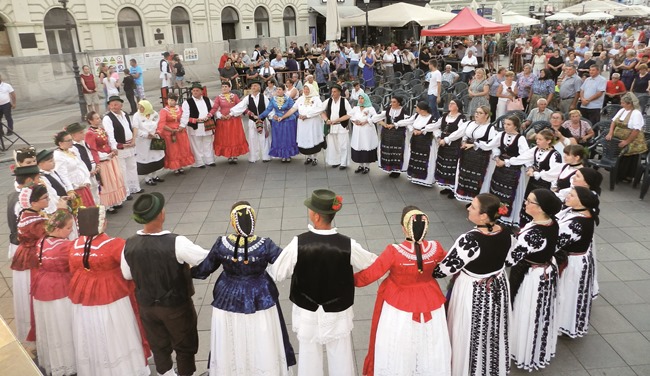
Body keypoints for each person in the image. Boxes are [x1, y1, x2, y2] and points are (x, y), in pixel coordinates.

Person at [268, 189, 377, 376]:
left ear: (316, 216)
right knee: (341, 354)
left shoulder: (298, 243)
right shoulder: (347, 244)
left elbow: (277, 272)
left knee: (309, 356)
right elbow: (373, 264)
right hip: (338, 308)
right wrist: (354, 280)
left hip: (307, 308)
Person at [191, 201, 296, 375]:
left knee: (230, 335)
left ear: (233, 223)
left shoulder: (222, 244)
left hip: (227, 297)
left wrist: (183, 270)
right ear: (254, 220)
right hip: (261, 296)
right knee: (261, 335)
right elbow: (284, 261)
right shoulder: (265, 244)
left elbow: (204, 269)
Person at [354, 206, 451, 375]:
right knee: (430, 343)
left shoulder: (394, 251)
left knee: (398, 342)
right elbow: (450, 263)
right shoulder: (435, 248)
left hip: (399, 305)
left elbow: (370, 275)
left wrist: (345, 280)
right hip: (431, 303)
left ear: (404, 228)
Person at [122, 193, 209, 376]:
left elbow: (127, 274)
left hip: (147, 306)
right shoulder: (177, 242)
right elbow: (204, 258)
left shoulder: (129, 244)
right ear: (161, 214)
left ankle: (166, 374)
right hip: (176, 306)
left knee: (159, 346)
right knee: (185, 346)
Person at [433, 193, 516, 376]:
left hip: (473, 290)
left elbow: (442, 270)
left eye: (472, 206)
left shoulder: (470, 240)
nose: (468, 208)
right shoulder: (506, 232)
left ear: (484, 216)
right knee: (493, 326)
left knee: (470, 328)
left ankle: (468, 369)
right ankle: (490, 367)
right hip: (498, 286)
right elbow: (510, 259)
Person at [69, 206, 151, 375]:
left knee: (91, 331)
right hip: (112, 295)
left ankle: (98, 367)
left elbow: (72, 269)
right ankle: (124, 368)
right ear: (102, 224)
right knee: (116, 330)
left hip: (83, 297)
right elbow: (128, 273)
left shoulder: (75, 245)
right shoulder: (114, 244)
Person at [508, 189, 562, 371]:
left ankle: (522, 348)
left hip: (531, 276)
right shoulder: (551, 222)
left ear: (540, 208)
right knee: (537, 312)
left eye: (529, 201)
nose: (525, 203)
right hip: (544, 271)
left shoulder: (534, 234)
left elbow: (510, 259)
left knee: (527, 311)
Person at [32, 209, 76, 376]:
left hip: (42, 287)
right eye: (68, 228)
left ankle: (55, 360)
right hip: (60, 289)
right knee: (63, 325)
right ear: (57, 229)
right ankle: (69, 361)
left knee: (50, 326)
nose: (71, 231)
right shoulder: (66, 246)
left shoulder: (42, 241)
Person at [555, 187, 600, 338]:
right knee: (568, 292)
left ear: (582, 201)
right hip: (577, 258)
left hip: (573, 262)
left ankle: (562, 323)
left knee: (567, 292)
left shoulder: (577, 222)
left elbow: (557, 241)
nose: (568, 196)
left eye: (572, 195)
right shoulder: (577, 212)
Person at [11, 184, 50, 344]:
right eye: (45, 198)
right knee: (32, 296)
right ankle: (36, 333)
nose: (48, 200)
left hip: (25, 256)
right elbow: (52, 232)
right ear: (33, 203)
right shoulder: (34, 223)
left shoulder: (28, 214)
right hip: (30, 261)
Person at [482, 116, 530, 226]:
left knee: (510, 195)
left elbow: (525, 155)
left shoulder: (520, 139)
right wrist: (496, 157)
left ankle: (508, 219)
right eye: (505, 124)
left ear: (516, 126)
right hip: (500, 169)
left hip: (514, 171)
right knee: (497, 191)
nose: (505, 126)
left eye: (509, 124)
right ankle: (496, 214)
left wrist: (509, 162)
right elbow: (491, 146)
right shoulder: (501, 135)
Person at [85, 111, 128, 213]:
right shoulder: (90, 133)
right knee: (107, 182)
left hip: (110, 157)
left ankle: (115, 201)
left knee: (114, 179)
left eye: (99, 118)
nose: (99, 120)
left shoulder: (101, 129)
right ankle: (107, 205)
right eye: (96, 118)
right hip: (103, 160)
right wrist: (101, 159)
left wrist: (113, 149)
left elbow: (108, 142)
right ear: (90, 121)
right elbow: (93, 150)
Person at [453, 105, 498, 202]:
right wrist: (464, 141)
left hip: (480, 157)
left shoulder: (490, 128)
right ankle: (465, 196)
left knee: (476, 178)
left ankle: (475, 200)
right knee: (465, 175)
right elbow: (465, 135)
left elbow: (490, 143)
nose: (477, 114)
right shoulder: (471, 124)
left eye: (480, 113)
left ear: (486, 115)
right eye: (476, 112)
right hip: (467, 154)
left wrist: (474, 145)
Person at [103, 95, 143, 198]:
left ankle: (134, 187)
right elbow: (110, 135)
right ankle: (126, 191)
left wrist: (133, 139)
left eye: (115, 104)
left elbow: (130, 127)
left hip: (130, 144)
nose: (113, 107)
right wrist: (115, 147)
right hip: (121, 147)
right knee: (122, 169)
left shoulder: (124, 114)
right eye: (111, 105)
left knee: (132, 166)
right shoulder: (108, 118)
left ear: (121, 105)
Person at [395, 101, 440, 187]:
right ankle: (416, 178)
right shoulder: (416, 115)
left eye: (417, 108)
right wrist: (397, 124)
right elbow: (408, 121)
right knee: (415, 157)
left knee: (426, 160)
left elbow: (435, 129)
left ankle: (427, 180)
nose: (416, 109)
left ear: (422, 110)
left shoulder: (432, 118)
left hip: (426, 142)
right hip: (416, 141)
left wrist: (437, 137)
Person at [605, 93, 648, 182]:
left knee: (628, 157)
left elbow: (636, 130)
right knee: (618, 154)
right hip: (619, 137)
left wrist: (627, 141)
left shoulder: (636, 113)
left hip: (632, 139)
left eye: (623, 103)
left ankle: (625, 176)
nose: (621, 105)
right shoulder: (622, 111)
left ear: (630, 104)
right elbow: (613, 121)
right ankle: (616, 172)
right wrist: (610, 133)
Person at [282, 83, 325, 166]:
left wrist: (308, 116)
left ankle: (315, 158)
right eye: (304, 89)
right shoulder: (301, 99)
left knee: (313, 139)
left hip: (312, 123)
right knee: (306, 140)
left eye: (307, 89)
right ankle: (308, 157)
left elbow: (320, 109)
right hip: (303, 124)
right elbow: (293, 109)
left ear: (311, 89)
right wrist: (283, 117)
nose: (306, 91)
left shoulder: (316, 99)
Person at [229, 80, 271, 163]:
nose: (253, 87)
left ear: (259, 87)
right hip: (252, 121)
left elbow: (269, 108)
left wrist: (270, 117)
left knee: (264, 139)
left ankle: (266, 156)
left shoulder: (264, 97)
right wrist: (231, 113)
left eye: (255, 86)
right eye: (252, 86)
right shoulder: (248, 98)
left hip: (263, 120)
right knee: (252, 138)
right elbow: (241, 106)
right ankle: (253, 157)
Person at [208, 82, 249, 164]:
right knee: (226, 138)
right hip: (223, 121)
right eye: (222, 87)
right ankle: (229, 155)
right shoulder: (218, 98)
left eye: (226, 87)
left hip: (234, 120)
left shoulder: (234, 96)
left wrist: (249, 112)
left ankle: (235, 155)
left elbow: (240, 105)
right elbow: (215, 108)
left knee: (234, 137)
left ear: (230, 88)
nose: (224, 88)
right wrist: (209, 115)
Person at [53, 130, 95, 207]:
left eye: (71, 139)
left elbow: (81, 165)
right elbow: (62, 175)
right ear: (60, 143)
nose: (71, 142)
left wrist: (86, 179)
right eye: (68, 140)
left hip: (83, 185)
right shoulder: (58, 156)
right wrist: (73, 188)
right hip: (75, 190)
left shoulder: (71, 151)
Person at [372, 95, 410, 178]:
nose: (391, 103)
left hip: (399, 135)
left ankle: (396, 170)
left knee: (397, 152)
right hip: (387, 134)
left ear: (399, 103)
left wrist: (396, 125)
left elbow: (408, 122)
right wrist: (384, 124)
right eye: (391, 101)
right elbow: (374, 118)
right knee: (388, 151)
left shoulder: (404, 111)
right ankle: (389, 168)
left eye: (394, 102)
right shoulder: (388, 110)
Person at [157, 93, 194, 175]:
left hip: (180, 131)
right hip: (169, 133)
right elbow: (161, 123)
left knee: (181, 148)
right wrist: (171, 130)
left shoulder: (179, 109)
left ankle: (180, 165)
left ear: (176, 101)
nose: (170, 102)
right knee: (172, 150)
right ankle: (175, 167)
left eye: (173, 100)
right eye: (169, 100)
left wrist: (181, 126)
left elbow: (183, 118)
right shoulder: (164, 111)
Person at [260, 84, 299, 163]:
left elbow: (294, 109)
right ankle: (282, 155)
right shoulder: (273, 99)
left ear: (284, 91)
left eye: (280, 89)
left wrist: (301, 116)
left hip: (288, 121)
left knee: (288, 138)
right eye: (277, 89)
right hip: (277, 121)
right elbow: (268, 109)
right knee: (279, 138)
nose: (278, 91)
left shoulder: (288, 99)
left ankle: (288, 155)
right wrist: (260, 116)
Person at [181, 83, 216, 168]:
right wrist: (182, 125)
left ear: (201, 91)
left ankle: (209, 160)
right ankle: (199, 162)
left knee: (208, 142)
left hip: (207, 125)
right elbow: (185, 115)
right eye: (193, 91)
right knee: (196, 144)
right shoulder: (187, 102)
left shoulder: (207, 100)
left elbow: (214, 109)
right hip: (195, 126)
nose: (195, 92)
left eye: (197, 90)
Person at [133, 100, 165, 186]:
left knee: (154, 157)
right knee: (146, 159)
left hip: (154, 139)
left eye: (142, 107)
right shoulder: (137, 116)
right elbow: (136, 128)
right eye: (139, 107)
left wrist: (157, 133)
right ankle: (147, 178)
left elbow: (159, 124)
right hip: (143, 142)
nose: (140, 109)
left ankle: (155, 175)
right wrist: (146, 135)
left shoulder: (154, 114)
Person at [321, 84, 353, 169]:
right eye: (332, 92)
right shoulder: (329, 100)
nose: (333, 93)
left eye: (335, 92)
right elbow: (320, 110)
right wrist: (326, 120)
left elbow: (350, 114)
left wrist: (338, 120)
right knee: (333, 145)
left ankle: (343, 163)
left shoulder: (344, 101)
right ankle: (336, 161)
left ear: (339, 92)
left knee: (343, 145)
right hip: (331, 126)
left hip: (341, 125)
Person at [66, 122, 99, 204]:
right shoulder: (73, 148)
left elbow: (90, 154)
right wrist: (87, 173)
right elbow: (79, 163)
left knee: (96, 192)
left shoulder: (83, 142)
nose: (83, 134)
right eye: (80, 132)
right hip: (85, 175)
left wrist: (96, 165)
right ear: (73, 135)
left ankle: (99, 210)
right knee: (91, 194)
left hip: (93, 172)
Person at [349, 93, 379, 174]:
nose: (360, 100)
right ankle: (360, 165)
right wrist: (355, 120)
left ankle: (367, 166)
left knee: (366, 146)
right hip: (358, 131)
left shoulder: (370, 108)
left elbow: (375, 117)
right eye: (359, 98)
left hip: (367, 132)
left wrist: (366, 121)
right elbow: (350, 116)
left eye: (362, 98)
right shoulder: (356, 108)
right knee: (359, 146)